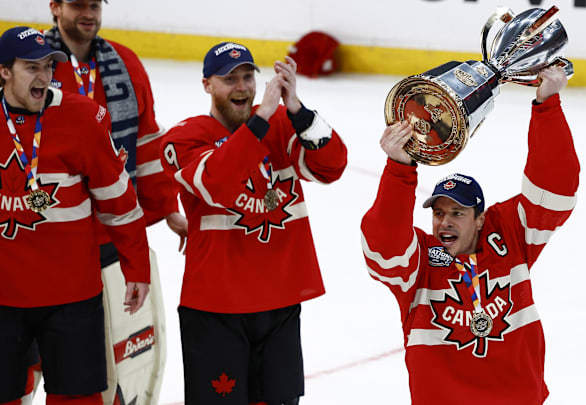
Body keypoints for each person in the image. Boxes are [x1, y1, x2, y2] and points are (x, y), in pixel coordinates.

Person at [361, 66, 580, 404]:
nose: (445, 222)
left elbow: (555, 191)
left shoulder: (509, 237)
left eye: (458, 213)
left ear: (480, 220)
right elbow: (383, 249)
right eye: (438, 213)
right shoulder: (420, 264)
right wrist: (399, 168)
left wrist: (547, 104)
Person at [159, 42, 347, 405]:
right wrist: (260, 121)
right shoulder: (184, 138)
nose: (242, 87)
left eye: (248, 76)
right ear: (207, 85)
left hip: (279, 301)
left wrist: (298, 111)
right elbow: (216, 181)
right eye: (229, 79)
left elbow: (332, 165)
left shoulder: (280, 126)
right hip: (216, 308)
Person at [41, 1, 187, 403]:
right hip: (43, 240)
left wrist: (167, 205)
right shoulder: (33, 65)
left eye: (95, 4)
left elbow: (146, 139)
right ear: (54, 6)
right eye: (77, 4)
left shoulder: (125, 62)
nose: (88, 13)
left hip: (109, 235)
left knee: (108, 364)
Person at [0, 26, 151, 405]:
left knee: (79, 399)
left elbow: (118, 201)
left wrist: (137, 268)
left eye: (49, 67)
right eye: (31, 67)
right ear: (4, 71)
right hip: (3, 295)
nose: (44, 76)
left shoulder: (81, 118)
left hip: (71, 295)